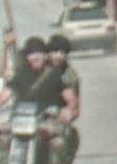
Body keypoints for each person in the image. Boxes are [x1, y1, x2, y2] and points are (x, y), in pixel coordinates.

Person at [0, 36, 62, 164]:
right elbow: (7, 91)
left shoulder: (54, 74)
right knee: (1, 136)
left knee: (57, 142)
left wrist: (63, 112)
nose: (35, 57)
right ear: (27, 57)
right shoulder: (20, 73)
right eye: (31, 54)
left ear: (45, 55)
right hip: (21, 117)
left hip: (46, 117)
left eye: (39, 53)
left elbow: (65, 96)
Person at [41, 35, 80, 164]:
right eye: (54, 51)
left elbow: (76, 109)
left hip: (56, 122)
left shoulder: (70, 76)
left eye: (62, 52)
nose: (58, 56)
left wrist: (66, 115)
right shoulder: (38, 69)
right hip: (33, 119)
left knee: (62, 142)